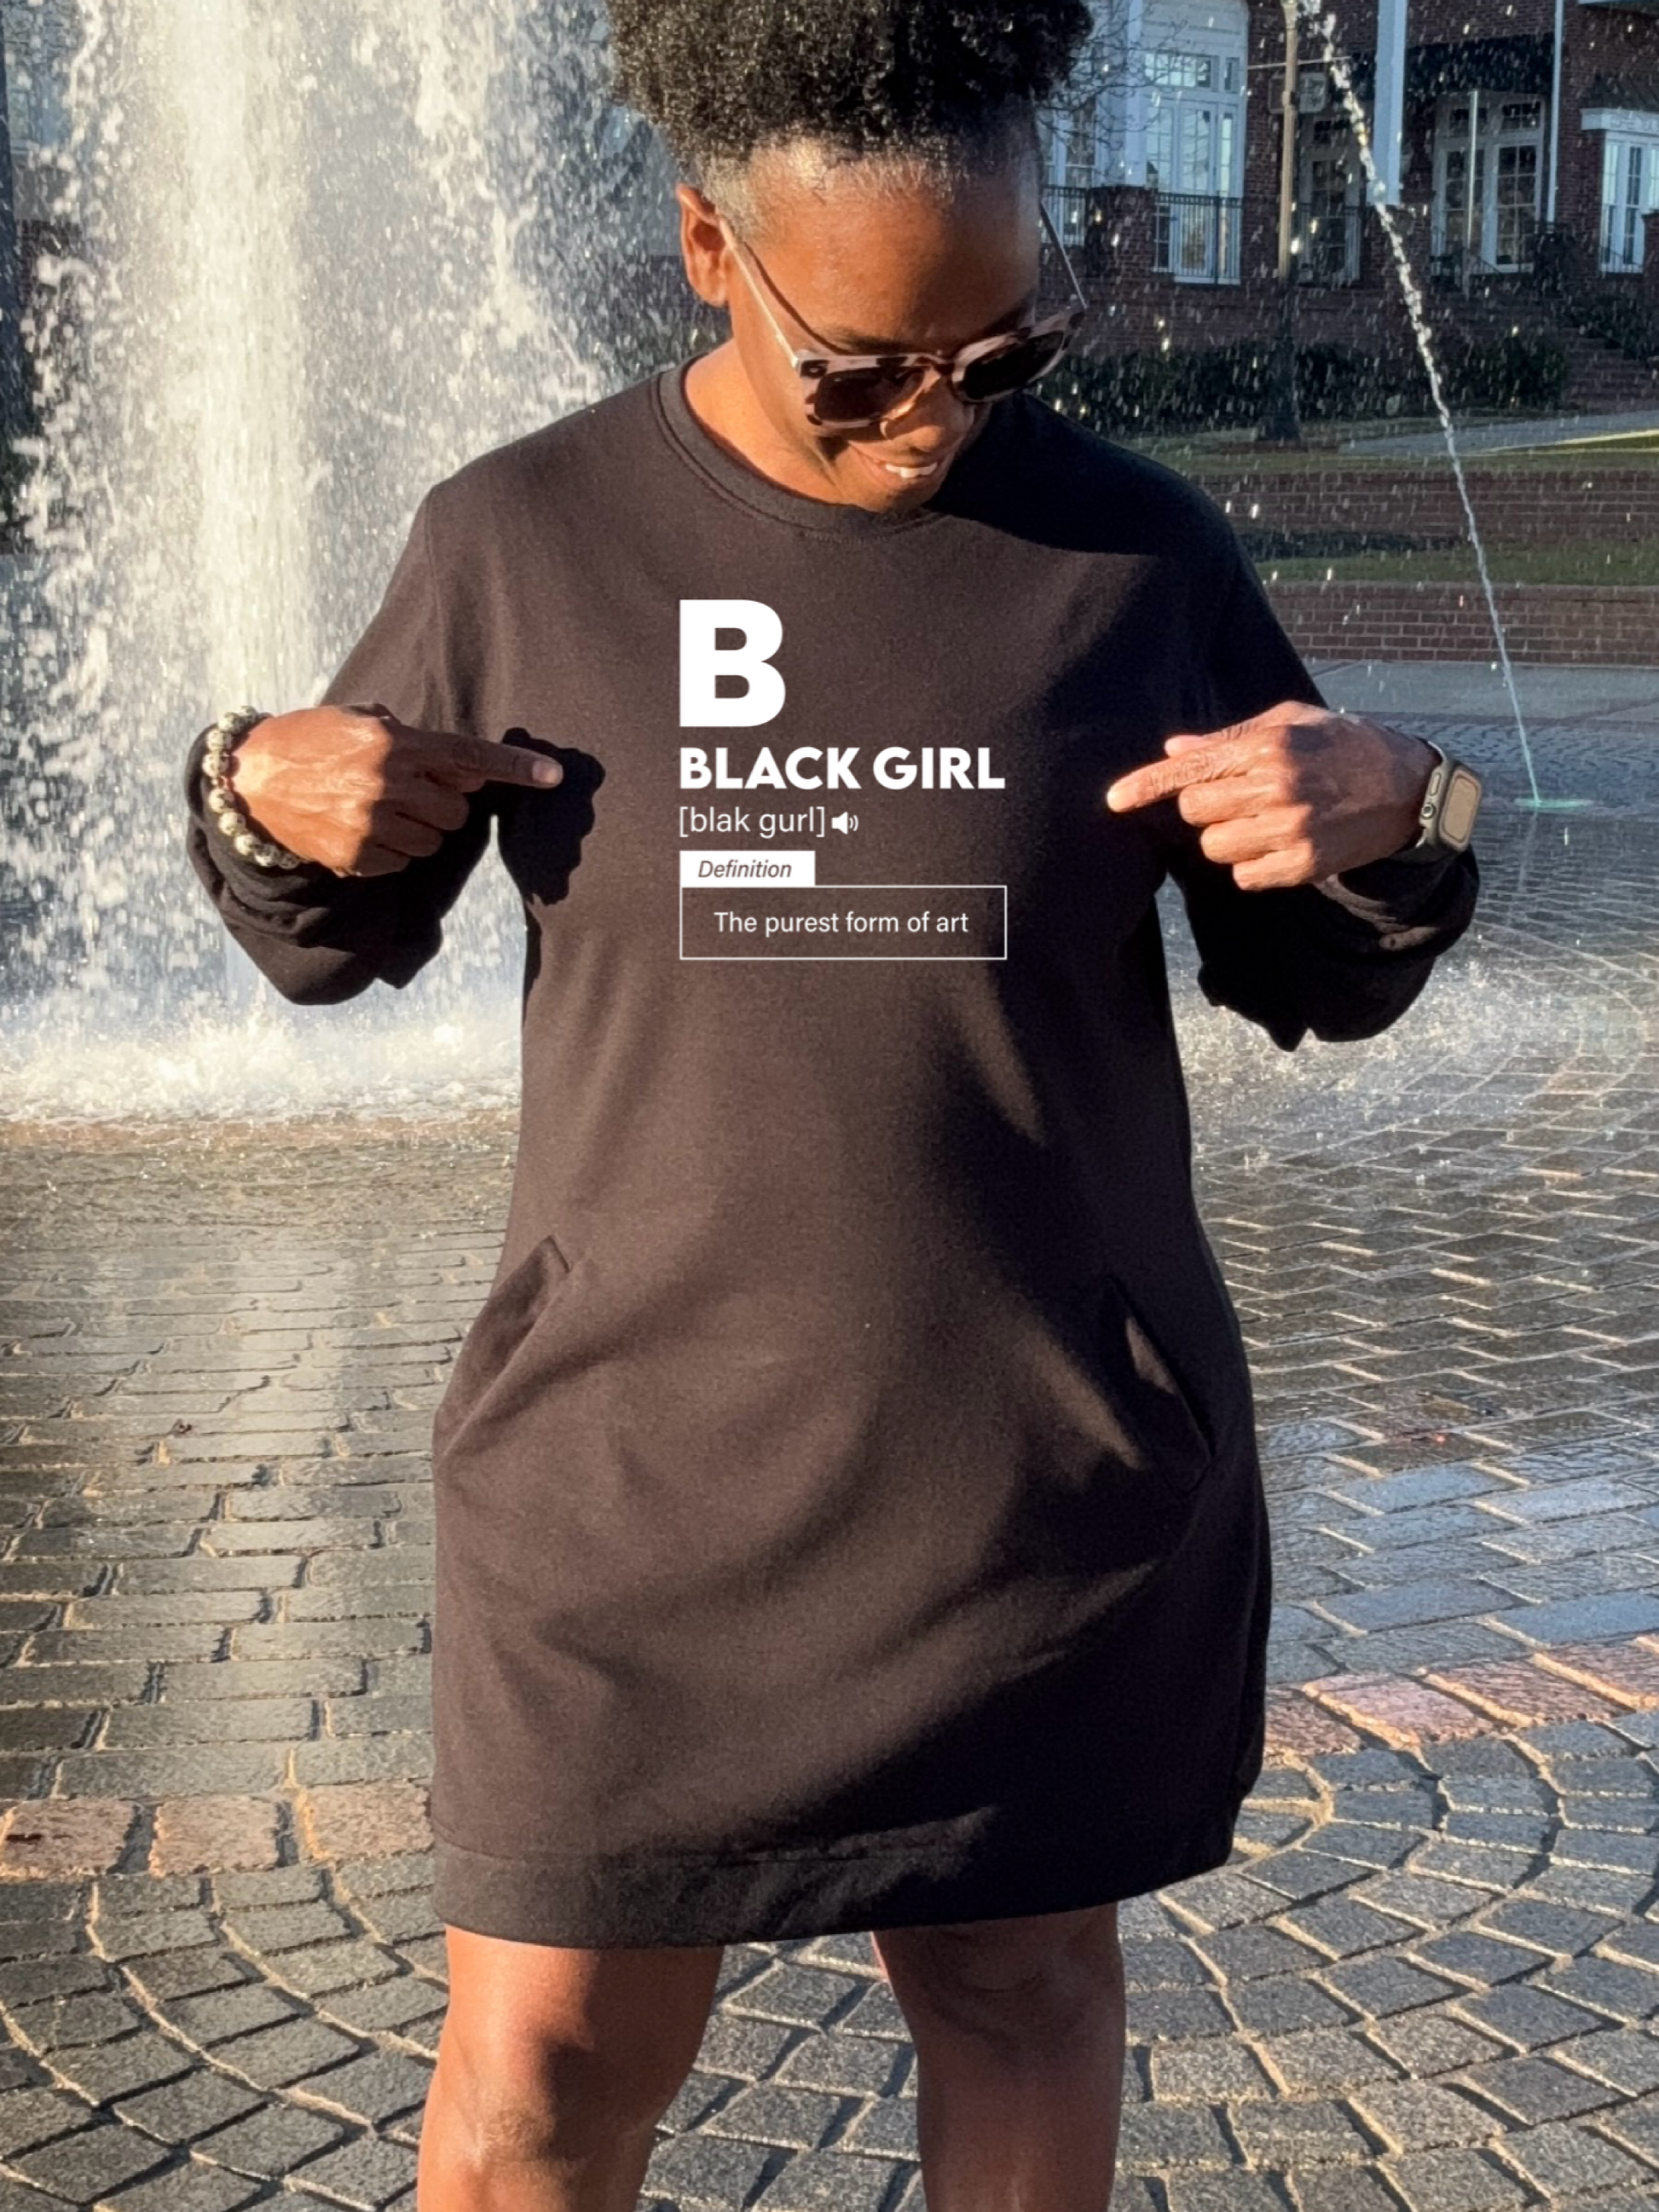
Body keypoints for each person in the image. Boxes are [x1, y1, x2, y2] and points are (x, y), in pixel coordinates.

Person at [181, 4, 1481, 2205]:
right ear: (709, 245)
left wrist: (1399, 813)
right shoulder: (522, 540)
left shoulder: (1134, 559)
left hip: (1030, 1468)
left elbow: (1314, 976)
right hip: (630, 1477)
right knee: (540, 2070)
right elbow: (325, 935)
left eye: (1001, 354)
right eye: (864, 368)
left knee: (1018, 1995)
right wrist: (256, 789)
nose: (933, 421)